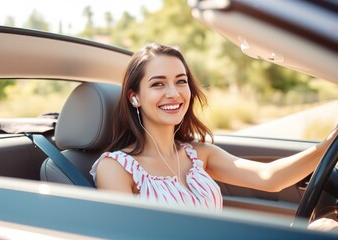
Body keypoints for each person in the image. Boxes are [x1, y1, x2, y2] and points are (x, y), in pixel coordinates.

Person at [90, 43, 338, 213]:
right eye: (158, 84)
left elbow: (269, 178)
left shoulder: (198, 154)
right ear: (135, 97)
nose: (174, 93)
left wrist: (327, 146)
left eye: (181, 81)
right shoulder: (115, 168)